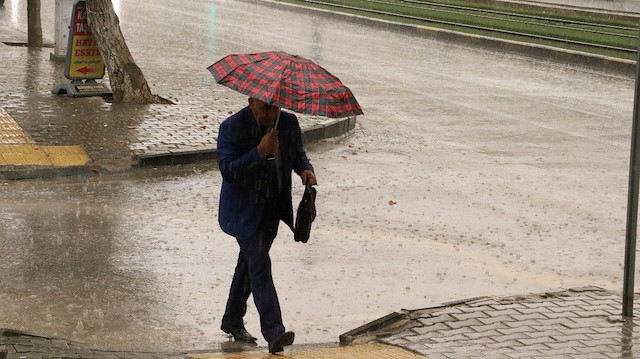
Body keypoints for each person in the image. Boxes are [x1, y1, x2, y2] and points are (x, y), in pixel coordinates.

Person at [217, 97, 317, 354]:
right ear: (251, 102)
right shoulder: (232, 127)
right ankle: (274, 332)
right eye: (265, 108)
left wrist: (305, 169)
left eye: (275, 108)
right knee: (259, 265)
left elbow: (297, 154)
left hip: (272, 208)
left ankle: (231, 320)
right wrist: (259, 151)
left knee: (249, 264)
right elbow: (228, 170)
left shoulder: (289, 123)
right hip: (243, 211)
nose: (271, 113)